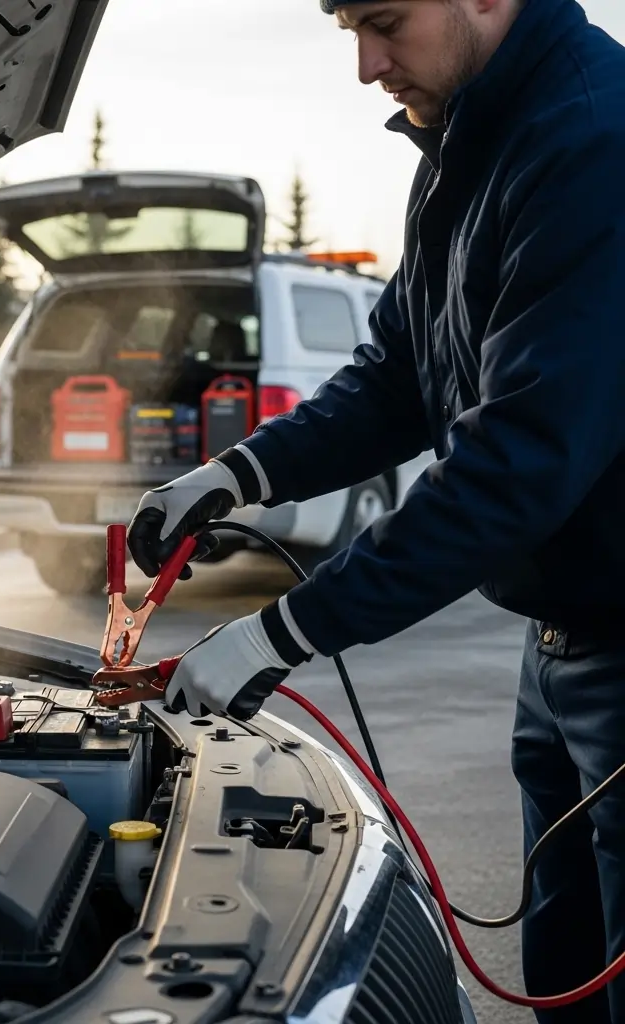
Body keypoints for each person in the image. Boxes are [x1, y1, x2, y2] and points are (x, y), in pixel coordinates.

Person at [127, 0, 625, 1020]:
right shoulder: (464, 144)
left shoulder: (593, 140)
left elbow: (515, 464)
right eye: (347, 26)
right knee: (561, 970)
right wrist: (237, 475)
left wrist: (288, 626)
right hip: (558, 644)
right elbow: (400, 370)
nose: (364, 65)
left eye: (385, 21)